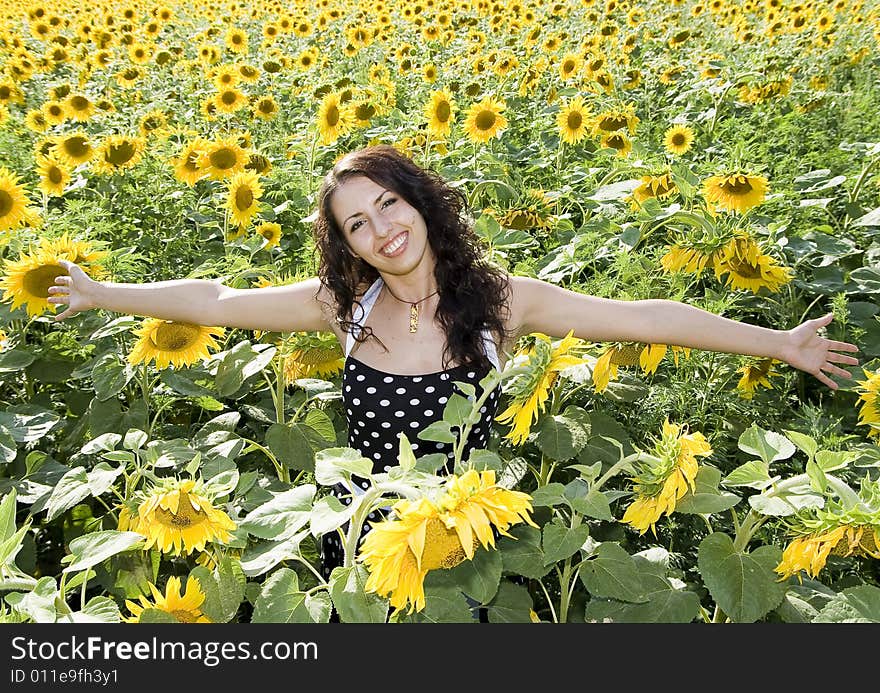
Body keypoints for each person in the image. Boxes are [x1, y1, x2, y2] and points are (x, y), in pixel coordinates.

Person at [49, 144, 860, 581]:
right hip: (356, 536)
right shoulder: (344, 306)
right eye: (358, 224)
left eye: (390, 204)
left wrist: (780, 342)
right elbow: (215, 301)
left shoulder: (503, 301)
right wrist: (101, 291)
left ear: (420, 202)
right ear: (348, 244)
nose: (383, 230)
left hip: (464, 539)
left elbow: (644, 318)